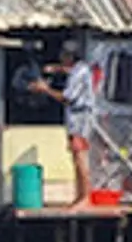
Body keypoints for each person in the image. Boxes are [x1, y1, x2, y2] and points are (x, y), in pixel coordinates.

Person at [32, 41, 96, 205]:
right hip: (75, 119)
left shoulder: (79, 72)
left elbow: (67, 97)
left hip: (80, 119)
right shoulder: (78, 69)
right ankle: (79, 195)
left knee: (80, 158)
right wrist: (55, 69)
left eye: (63, 56)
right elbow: (66, 70)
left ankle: (85, 197)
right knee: (75, 158)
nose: (61, 59)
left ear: (70, 56)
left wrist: (45, 89)